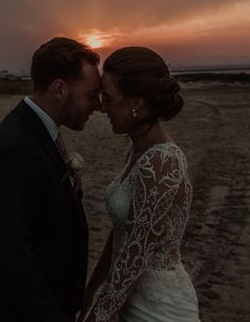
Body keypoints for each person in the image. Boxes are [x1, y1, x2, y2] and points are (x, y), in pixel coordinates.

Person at [0, 37, 101, 322]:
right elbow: (14, 255)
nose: (97, 105)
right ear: (60, 89)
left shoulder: (36, 131)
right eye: (91, 95)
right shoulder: (16, 147)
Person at [80, 47, 199, 322]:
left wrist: (98, 316)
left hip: (158, 309)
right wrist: (91, 288)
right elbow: (124, 231)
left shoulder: (161, 163)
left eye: (108, 98)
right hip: (127, 296)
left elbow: (136, 254)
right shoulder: (136, 151)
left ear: (138, 102)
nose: (100, 106)